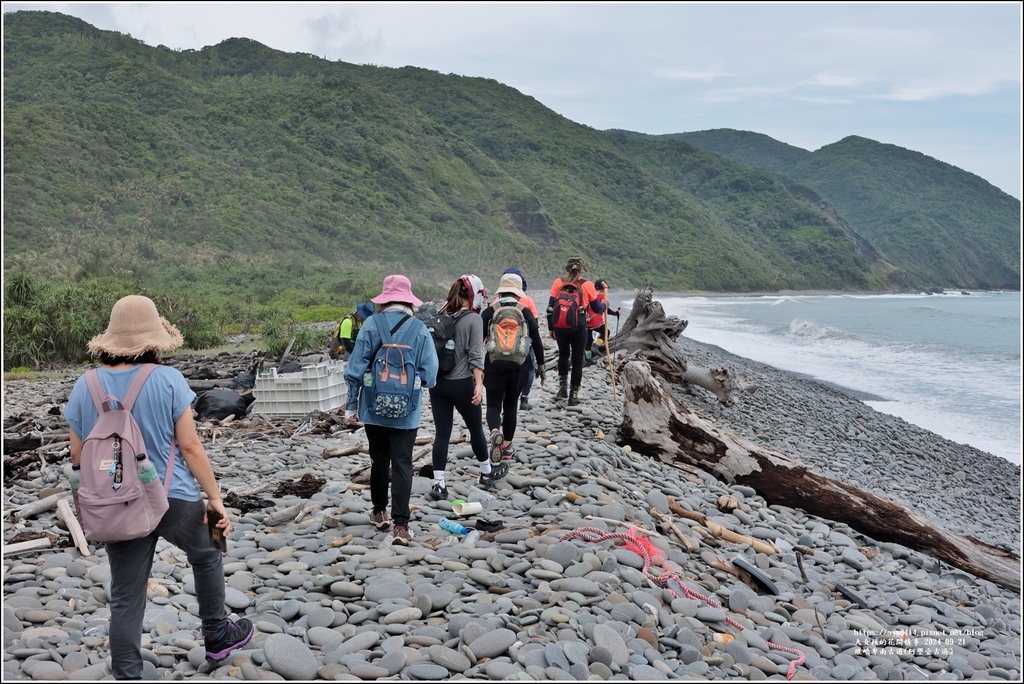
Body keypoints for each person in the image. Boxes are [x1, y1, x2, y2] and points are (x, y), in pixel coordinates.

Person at [62, 295, 252, 679]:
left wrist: (90, 502)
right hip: (174, 498)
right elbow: (190, 446)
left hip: (118, 503)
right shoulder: (167, 380)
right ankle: (217, 632)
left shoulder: (86, 386)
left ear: (111, 341)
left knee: (126, 598)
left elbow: (77, 455)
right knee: (210, 549)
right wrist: (215, 498)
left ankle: (128, 673)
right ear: (154, 341)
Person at [344, 275, 438, 544]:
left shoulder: (372, 324)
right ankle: (400, 525)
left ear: (384, 300)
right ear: (409, 300)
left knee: (378, 460)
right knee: (402, 464)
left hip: (373, 406)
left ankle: (378, 511)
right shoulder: (419, 329)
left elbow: (355, 370)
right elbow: (430, 376)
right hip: (407, 412)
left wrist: (352, 406)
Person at [427, 274, 490, 501]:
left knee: (442, 434)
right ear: (473, 295)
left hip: (437, 384)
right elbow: (475, 355)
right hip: (462, 383)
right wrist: (479, 385)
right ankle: (487, 473)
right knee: (475, 428)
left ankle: (439, 484)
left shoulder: (442, 314)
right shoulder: (474, 320)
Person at [480, 273, 546, 486]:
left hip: (494, 364)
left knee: (493, 405)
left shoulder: (490, 311)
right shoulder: (524, 311)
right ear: (518, 292)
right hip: (519, 366)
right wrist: (541, 368)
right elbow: (536, 341)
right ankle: (506, 447)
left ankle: (494, 432)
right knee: (510, 406)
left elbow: (478, 340)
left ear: (500, 291)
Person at [547, 256, 605, 406]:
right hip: (579, 326)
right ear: (581, 270)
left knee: (563, 355)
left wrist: (551, 328)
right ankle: (573, 396)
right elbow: (597, 309)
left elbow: (550, 307)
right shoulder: (587, 285)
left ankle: (562, 390)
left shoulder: (558, 282)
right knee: (578, 360)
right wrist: (605, 304)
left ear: (568, 268)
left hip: (560, 326)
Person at [502, 267, 540, 410]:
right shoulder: (527, 300)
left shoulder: (495, 302)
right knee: (529, 369)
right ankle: (524, 399)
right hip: (524, 345)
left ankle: (504, 400)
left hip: (501, 345)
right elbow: (534, 326)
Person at [585, 279, 621, 366]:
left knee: (588, 341)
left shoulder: (589, 294)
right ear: (603, 289)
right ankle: (596, 345)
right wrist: (616, 313)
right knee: (606, 332)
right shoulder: (602, 295)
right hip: (595, 321)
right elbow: (605, 309)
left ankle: (588, 359)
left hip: (586, 320)